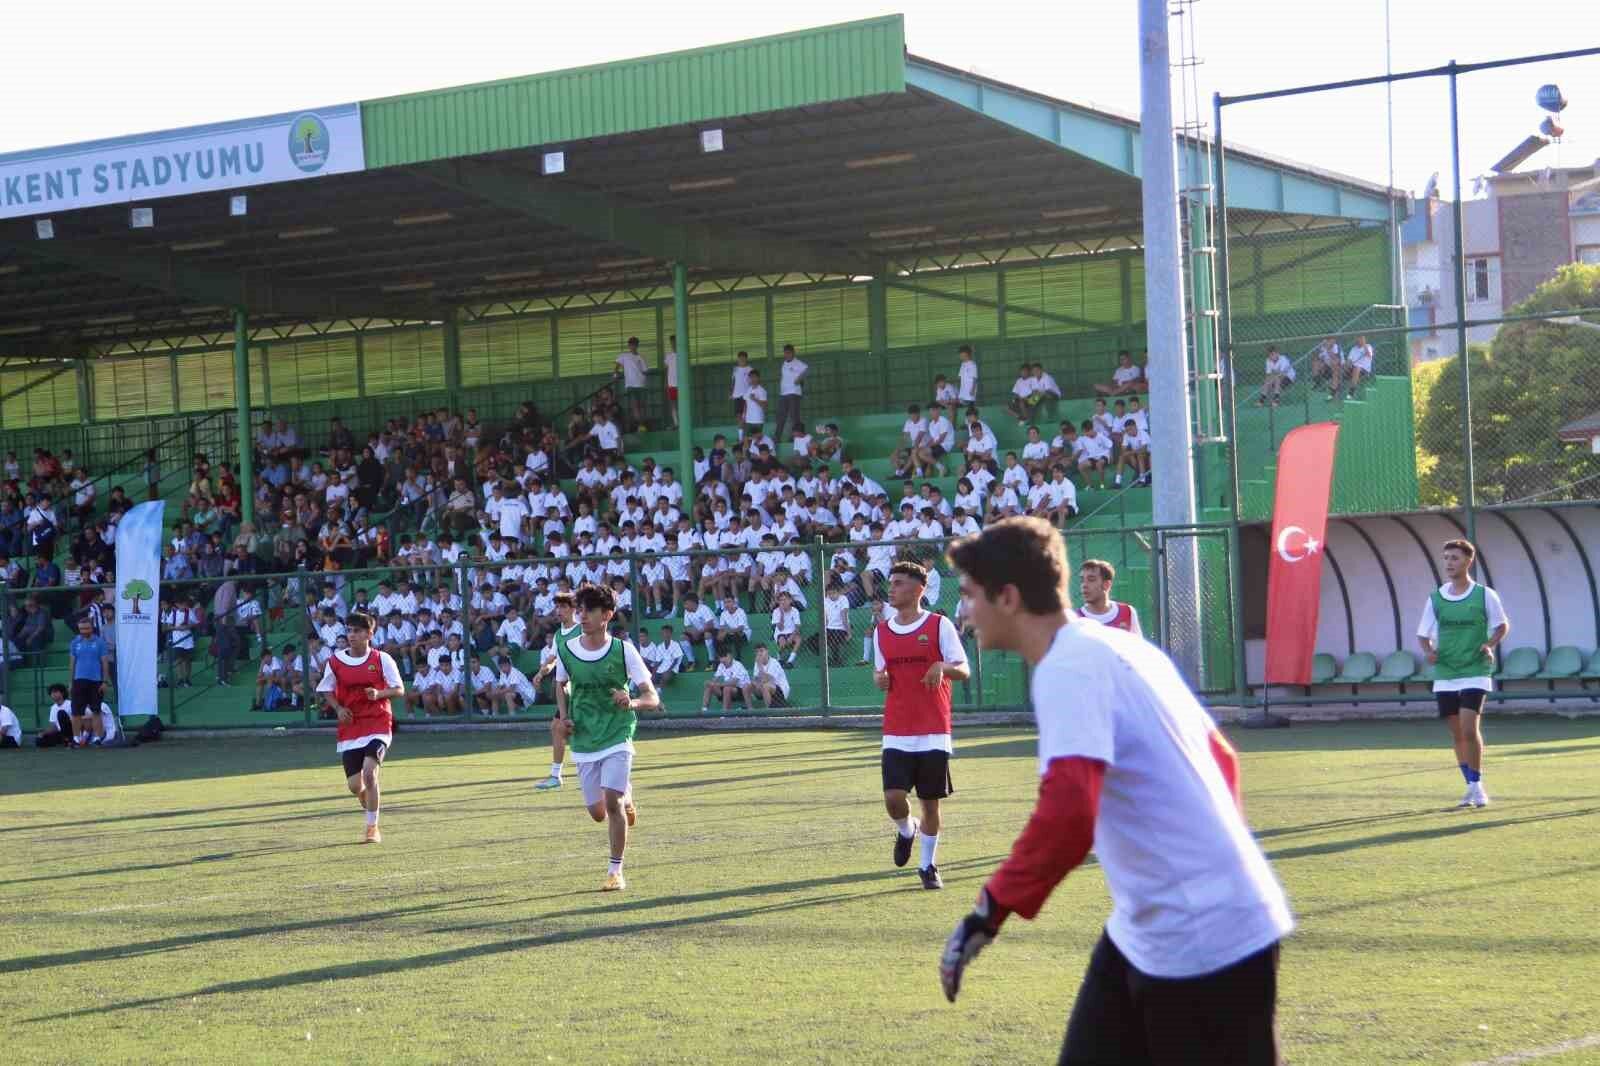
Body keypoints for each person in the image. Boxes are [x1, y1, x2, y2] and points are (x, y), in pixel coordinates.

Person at [939, 518, 1294, 1063]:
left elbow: (1068, 813)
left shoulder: (1067, 668)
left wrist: (988, 910)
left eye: (969, 595)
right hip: (1146, 929)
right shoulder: (1119, 648)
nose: (964, 611)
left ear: (1007, 598)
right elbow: (1222, 758)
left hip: (1205, 939)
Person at [552, 582, 660, 892]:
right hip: (585, 738)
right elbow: (560, 684)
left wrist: (632, 702)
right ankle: (627, 795)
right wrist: (564, 717)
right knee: (597, 813)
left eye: (590, 610)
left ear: (607, 615)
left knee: (612, 802)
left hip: (617, 732)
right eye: (580, 610)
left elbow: (651, 698)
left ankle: (615, 871)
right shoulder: (566, 649)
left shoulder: (624, 650)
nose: (582, 616)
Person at [873, 560, 971, 890]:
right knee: (893, 798)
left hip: (934, 730)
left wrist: (942, 666)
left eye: (899, 583)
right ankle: (906, 830)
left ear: (919, 589)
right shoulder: (882, 631)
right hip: (896, 729)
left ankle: (928, 866)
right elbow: (879, 672)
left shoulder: (939, 625)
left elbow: (963, 669)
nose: (892, 589)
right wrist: (879, 679)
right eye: (891, 583)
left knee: (930, 803)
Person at [1417, 538, 1509, 808]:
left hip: (1475, 669)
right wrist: (1429, 651)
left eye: (1455, 558)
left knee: (1469, 729)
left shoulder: (1485, 595)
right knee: (1457, 733)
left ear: (1469, 561)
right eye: (1446, 558)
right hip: (1446, 672)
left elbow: (1502, 625)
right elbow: (1422, 634)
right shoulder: (1436, 598)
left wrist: (1489, 644)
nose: (1449, 563)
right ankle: (1470, 786)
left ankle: (1477, 785)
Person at [315, 612, 405, 844]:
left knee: (369, 773)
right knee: (355, 786)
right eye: (349, 630)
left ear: (369, 634)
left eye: (357, 631)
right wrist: (338, 708)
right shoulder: (335, 661)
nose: (352, 635)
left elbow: (399, 689)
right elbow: (326, 689)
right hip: (351, 726)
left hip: (378, 721)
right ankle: (367, 797)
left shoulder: (382, 659)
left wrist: (379, 693)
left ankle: (372, 828)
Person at [533, 591, 580, 790]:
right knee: (557, 727)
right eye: (557, 607)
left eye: (563, 607)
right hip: (567, 689)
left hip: (582, 689)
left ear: (573, 609)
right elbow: (552, 659)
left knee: (569, 729)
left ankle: (584, 772)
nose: (559, 611)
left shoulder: (582, 630)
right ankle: (556, 775)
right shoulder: (560, 634)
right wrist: (541, 672)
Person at [68, 616, 111, 747]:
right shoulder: (75, 642)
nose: (84, 631)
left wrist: (105, 681)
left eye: (86, 628)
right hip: (79, 681)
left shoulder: (100, 642)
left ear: (92, 627)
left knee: (96, 711)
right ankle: (76, 738)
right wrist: (71, 682)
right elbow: (72, 663)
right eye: (81, 629)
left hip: (95, 681)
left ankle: (98, 738)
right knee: (76, 712)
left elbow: (104, 663)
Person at [1076, 559, 1142, 637]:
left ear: (1107, 585)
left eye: (1091, 580)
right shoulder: (1075, 618)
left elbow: (1137, 643)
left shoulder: (1127, 612)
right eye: (1082, 580)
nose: (1084, 585)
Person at [774, 343, 809, 443]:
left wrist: (799, 379)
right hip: (784, 393)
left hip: (794, 392)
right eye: (785, 353)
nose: (787, 355)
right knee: (781, 416)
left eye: (789, 353)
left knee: (794, 416)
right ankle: (777, 437)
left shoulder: (797, 362)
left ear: (793, 353)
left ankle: (796, 436)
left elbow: (806, 369)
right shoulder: (784, 363)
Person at [613, 336, 649, 428]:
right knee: (635, 405)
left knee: (642, 405)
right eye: (631, 344)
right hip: (631, 384)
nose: (632, 346)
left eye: (634, 344)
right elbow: (617, 365)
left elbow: (645, 371)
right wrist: (615, 375)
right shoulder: (624, 356)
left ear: (637, 345)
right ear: (629, 346)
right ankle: (639, 424)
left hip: (641, 384)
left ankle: (643, 423)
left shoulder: (641, 357)